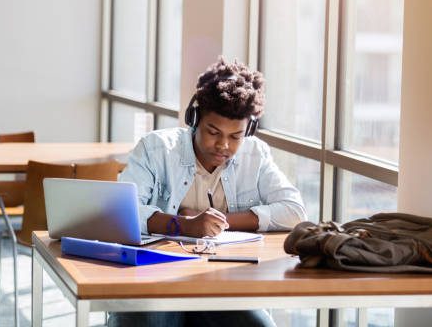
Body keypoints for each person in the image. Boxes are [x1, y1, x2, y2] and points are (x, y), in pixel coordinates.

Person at [108, 57, 307, 327]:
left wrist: (217, 221)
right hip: (156, 278)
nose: (223, 145)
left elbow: (294, 211)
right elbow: (122, 212)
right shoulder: (155, 149)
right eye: (213, 132)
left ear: (248, 130)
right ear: (194, 118)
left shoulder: (255, 154)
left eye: (235, 136)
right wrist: (183, 225)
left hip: (225, 283)